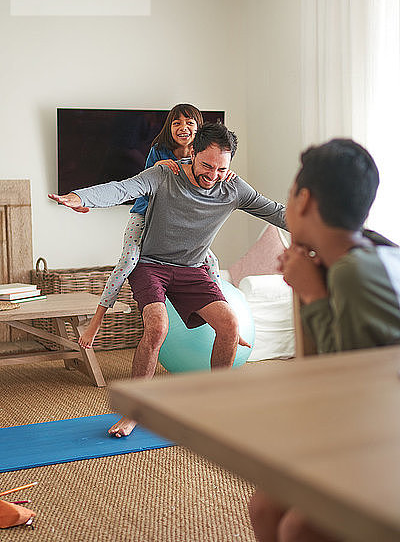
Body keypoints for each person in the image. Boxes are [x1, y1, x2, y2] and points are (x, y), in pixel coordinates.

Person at [49, 122, 287, 437]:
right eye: (206, 165)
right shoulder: (165, 175)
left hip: (192, 269)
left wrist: (326, 223)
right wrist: (80, 197)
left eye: (221, 168)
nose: (212, 175)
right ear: (193, 152)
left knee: (230, 324)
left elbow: (276, 212)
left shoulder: (234, 188)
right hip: (151, 265)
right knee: (157, 326)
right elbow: (122, 188)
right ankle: (134, 411)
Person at [248, 138, 400, 542]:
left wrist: (312, 294)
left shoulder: (354, 272)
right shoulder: (364, 253)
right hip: (373, 428)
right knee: (265, 504)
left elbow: (345, 381)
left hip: (384, 436)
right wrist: (306, 282)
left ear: (304, 201)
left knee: (299, 527)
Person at [79, 104, 231, 348]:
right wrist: (159, 168)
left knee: (212, 261)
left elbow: (214, 178)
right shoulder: (159, 151)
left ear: (199, 129)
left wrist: (226, 174)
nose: (183, 128)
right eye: (176, 123)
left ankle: (225, 317)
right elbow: (141, 182)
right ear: (169, 128)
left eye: (189, 123)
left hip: (176, 225)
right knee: (127, 261)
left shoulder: (202, 159)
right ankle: (96, 322)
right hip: (144, 215)